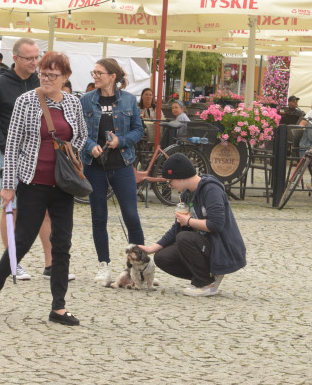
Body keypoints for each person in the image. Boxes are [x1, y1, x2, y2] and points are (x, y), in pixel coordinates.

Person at [0, 52, 87, 326]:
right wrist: (8, 186)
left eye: (53, 75)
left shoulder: (73, 103)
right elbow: (13, 143)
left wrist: (71, 154)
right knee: (23, 241)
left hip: (63, 184)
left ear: (65, 78)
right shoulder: (26, 101)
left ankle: (59, 307)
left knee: (62, 244)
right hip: (32, 182)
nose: (47, 79)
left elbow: (82, 134)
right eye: (43, 73)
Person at [0, 38, 59, 281]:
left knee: (45, 209)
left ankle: (51, 264)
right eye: (29, 58)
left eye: (37, 57)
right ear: (15, 58)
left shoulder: (43, 82)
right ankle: (13, 262)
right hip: (11, 155)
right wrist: (8, 147)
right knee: (10, 207)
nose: (34, 62)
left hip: (41, 156)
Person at [138, 153, 246, 296]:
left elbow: (216, 224)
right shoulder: (186, 194)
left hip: (222, 246)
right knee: (162, 257)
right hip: (204, 244)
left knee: (184, 238)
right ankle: (208, 277)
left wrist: (188, 221)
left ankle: (206, 284)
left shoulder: (211, 190)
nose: (170, 185)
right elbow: (176, 227)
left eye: (170, 181)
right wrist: (152, 248)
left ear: (180, 176)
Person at [80, 59, 145, 285]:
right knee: (99, 217)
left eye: (99, 73)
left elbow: (139, 129)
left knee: (131, 217)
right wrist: (90, 146)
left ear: (112, 76)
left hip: (123, 165)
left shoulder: (127, 99)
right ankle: (103, 266)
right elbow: (78, 133)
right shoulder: (86, 100)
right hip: (94, 167)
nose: (95, 76)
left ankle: (137, 268)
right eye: (94, 72)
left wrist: (122, 141)